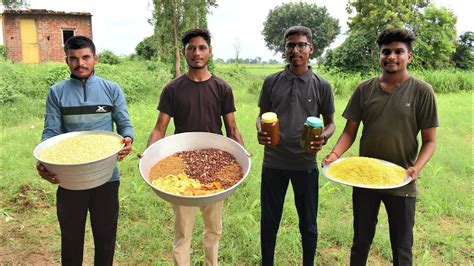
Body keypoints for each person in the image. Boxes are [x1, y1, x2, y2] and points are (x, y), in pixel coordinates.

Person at [322, 28, 438, 265]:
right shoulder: (364, 89)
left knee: (402, 246)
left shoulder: (422, 92)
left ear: (409, 57)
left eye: (399, 51)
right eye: (386, 51)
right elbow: (349, 132)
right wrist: (334, 154)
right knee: (361, 240)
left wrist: (417, 167)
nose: (392, 56)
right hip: (366, 179)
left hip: (402, 179)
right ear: (379, 56)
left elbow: (430, 141)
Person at [147, 28, 244, 266]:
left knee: (214, 229)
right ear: (185, 52)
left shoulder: (222, 88)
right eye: (191, 48)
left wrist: (242, 155)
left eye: (202, 48)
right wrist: (149, 154)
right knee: (183, 231)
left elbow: (232, 128)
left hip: (217, 168)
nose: (196, 53)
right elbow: (160, 127)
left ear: (209, 52)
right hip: (183, 168)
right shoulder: (173, 89)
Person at [35, 36, 134, 265]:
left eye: (86, 57)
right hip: (70, 179)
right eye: (74, 58)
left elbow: (124, 123)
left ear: (95, 58)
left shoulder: (111, 89)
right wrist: (44, 160)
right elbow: (51, 132)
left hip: (106, 177)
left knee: (106, 237)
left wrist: (128, 138)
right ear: (66, 61)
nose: (81, 63)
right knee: (70, 238)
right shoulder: (56, 92)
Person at [257, 25, 336, 266]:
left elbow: (331, 123)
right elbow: (262, 116)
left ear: (310, 49)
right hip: (274, 162)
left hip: (305, 164)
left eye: (301, 45)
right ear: (284, 49)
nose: (295, 50)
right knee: (269, 221)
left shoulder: (322, 85)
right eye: (290, 45)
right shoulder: (272, 82)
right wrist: (260, 129)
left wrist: (323, 137)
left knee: (308, 224)